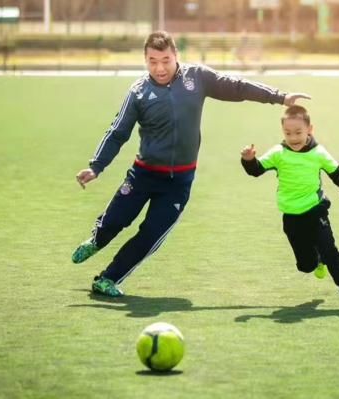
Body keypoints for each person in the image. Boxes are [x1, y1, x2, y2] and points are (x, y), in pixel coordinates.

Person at [72, 31, 310, 297]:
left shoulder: (196, 78)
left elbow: (237, 87)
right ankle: (97, 240)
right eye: (152, 61)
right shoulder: (138, 92)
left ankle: (109, 279)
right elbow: (117, 132)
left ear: (176, 56)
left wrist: (279, 96)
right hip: (143, 175)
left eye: (165, 60)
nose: (159, 68)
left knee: (151, 234)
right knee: (115, 222)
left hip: (179, 182)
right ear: (145, 60)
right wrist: (96, 166)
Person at [240, 105, 339, 312]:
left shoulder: (318, 153)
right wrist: (248, 159)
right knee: (305, 265)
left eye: (298, 132)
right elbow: (256, 170)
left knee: (330, 250)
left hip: (315, 210)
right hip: (291, 215)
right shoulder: (279, 153)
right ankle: (317, 259)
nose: (293, 137)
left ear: (309, 129)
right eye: (288, 133)